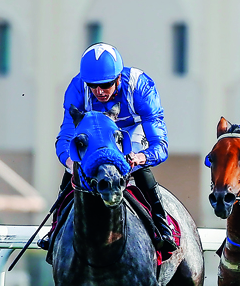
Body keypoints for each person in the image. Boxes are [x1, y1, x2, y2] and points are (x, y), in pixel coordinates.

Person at [42, 43, 175, 258]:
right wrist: (71, 163)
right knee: (73, 170)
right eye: (93, 86)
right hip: (97, 135)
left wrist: (141, 157)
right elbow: (65, 137)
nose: (99, 92)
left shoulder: (140, 87)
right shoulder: (77, 88)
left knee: (138, 168)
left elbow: (160, 144)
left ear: (119, 78)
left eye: (105, 85)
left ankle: (161, 227)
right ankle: (55, 229)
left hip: (131, 131)